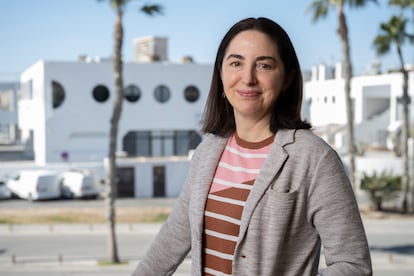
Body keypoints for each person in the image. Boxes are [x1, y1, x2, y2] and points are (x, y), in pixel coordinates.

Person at [132, 17, 372, 276]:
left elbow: (353, 266)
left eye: (264, 65)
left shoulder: (314, 158)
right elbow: (174, 235)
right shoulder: (207, 152)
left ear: (287, 78)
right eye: (236, 63)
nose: (248, 78)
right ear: (221, 73)